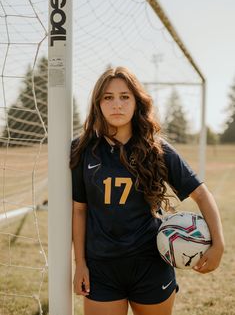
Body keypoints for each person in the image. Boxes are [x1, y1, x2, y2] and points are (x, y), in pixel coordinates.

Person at [70, 67, 224, 315]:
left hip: (150, 264)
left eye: (125, 96)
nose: (116, 104)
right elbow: (79, 210)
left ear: (136, 102)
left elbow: (202, 194)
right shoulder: (82, 149)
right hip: (102, 267)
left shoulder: (156, 149)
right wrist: (80, 264)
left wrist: (219, 244)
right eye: (108, 97)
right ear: (97, 104)